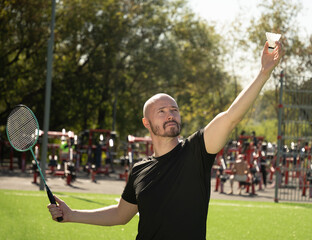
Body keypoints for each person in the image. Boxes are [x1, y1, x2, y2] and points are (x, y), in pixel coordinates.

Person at [48, 41, 284, 239]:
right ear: (146, 123)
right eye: (161, 111)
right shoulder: (139, 169)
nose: (170, 114)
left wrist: (263, 72)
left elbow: (231, 117)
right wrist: (71, 214)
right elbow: (121, 215)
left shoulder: (196, 151)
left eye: (174, 109)